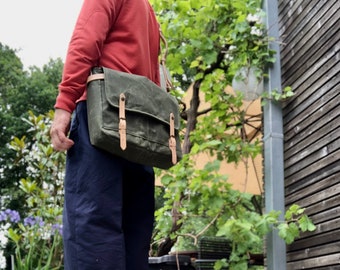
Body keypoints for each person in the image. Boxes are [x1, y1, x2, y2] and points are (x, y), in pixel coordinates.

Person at [50, 0, 160, 269]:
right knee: (133, 233)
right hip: (138, 132)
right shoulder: (148, 12)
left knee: (90, 229)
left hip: (102, 119)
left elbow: (85, 42)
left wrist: (65, 103)